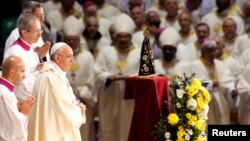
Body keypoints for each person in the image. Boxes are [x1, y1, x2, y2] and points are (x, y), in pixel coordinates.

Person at [95, 13, 140, 141]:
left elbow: (146, 75)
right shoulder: (106, 51)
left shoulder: (139, 53)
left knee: (127, 127)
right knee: (110, 128)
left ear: (130, 37)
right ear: (115, 37)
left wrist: (131, 78)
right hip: (110, 97)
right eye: (120, 36)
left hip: (130, 99)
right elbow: (97, 71)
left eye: (126, 36)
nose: (123, 39)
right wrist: (108, 76)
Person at [28, 42, 86, 141]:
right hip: (53, 131)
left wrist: (76, 106)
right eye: (69, 57)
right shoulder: (50, 78)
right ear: (58, 58)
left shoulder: (57, 75)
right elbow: (62, 107)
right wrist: (78, 110)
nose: (72, 61)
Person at [62, 15, 97, 141]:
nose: (71, 42)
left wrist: (81, 93)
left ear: (79, 39)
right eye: (68, 39)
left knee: (83, 132)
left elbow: (92, 80)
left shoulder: (87, 56)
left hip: (83, 101)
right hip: (64, 102)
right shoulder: (58, 56)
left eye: (74, 39)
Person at [3, 15, 47, 101]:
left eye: (40, 30)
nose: (40, 35)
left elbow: (31, 71)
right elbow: (20, 85)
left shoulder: (29, 47)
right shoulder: (15, 52)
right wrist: (37, 72)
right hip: (21, 101)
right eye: (36, 31)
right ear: (24, 33)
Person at [0, 56, 34, 141]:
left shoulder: (7, 90)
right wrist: (24, 112)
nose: (24, 76)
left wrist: (17, 110)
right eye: (22, 71)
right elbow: (14, 128)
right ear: (12, 72)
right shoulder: (4, 94)